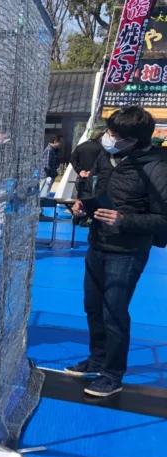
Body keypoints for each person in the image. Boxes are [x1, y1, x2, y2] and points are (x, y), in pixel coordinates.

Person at [67, 106, 167, 397]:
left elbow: (163, 218)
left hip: (128, 250)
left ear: (133, 139)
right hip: (98, 242)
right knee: (93, 306)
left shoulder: (157, 167)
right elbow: (94, 188)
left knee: (114, 312)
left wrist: (125, 220)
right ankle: (97, 358)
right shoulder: (106, 156)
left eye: (113, 134)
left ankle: (112, 374)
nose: (107, 138)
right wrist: (82, 204)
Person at [70, 129, 104, 200]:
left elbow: (73, 159)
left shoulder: (80, 146)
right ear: (101, 137)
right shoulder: (101, 148)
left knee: (81, 200)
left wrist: (80, 170)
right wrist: (93, 171)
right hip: (96, 179)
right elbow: (103, 162)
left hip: (83, 178)